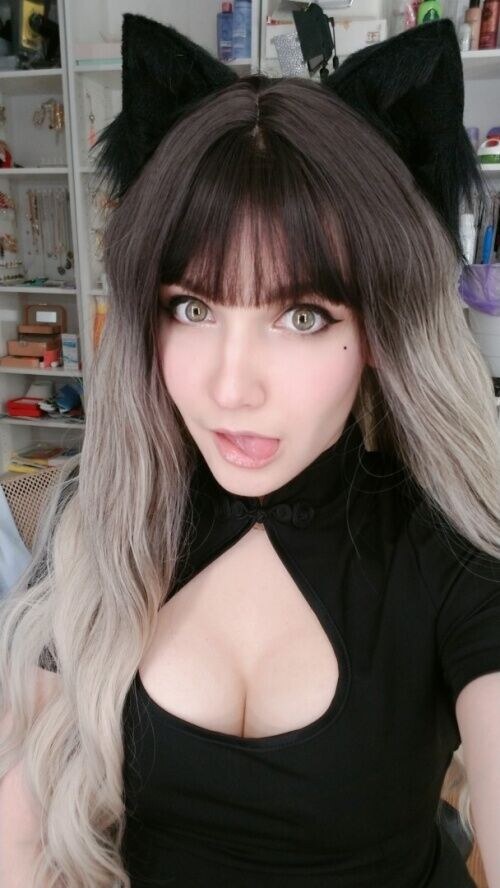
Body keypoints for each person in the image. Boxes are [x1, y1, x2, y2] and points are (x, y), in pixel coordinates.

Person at [1, 12, 499, 888]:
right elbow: (21, 827)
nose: (231, 388)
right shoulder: (101, 520)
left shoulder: (450, 550)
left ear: (379, 330)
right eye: (192, 308)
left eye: (301, 316)